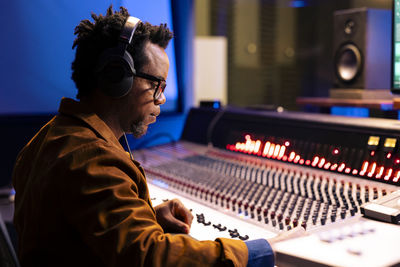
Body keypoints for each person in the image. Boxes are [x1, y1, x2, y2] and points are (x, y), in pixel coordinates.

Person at [12, 6, 304, 267]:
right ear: (117, 77)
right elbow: (150, 257)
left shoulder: (49, 137)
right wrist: (263, 251)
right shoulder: (91, 159)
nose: (161, 99)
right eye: (157, 85)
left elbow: (84, 228)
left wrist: (148, 215)